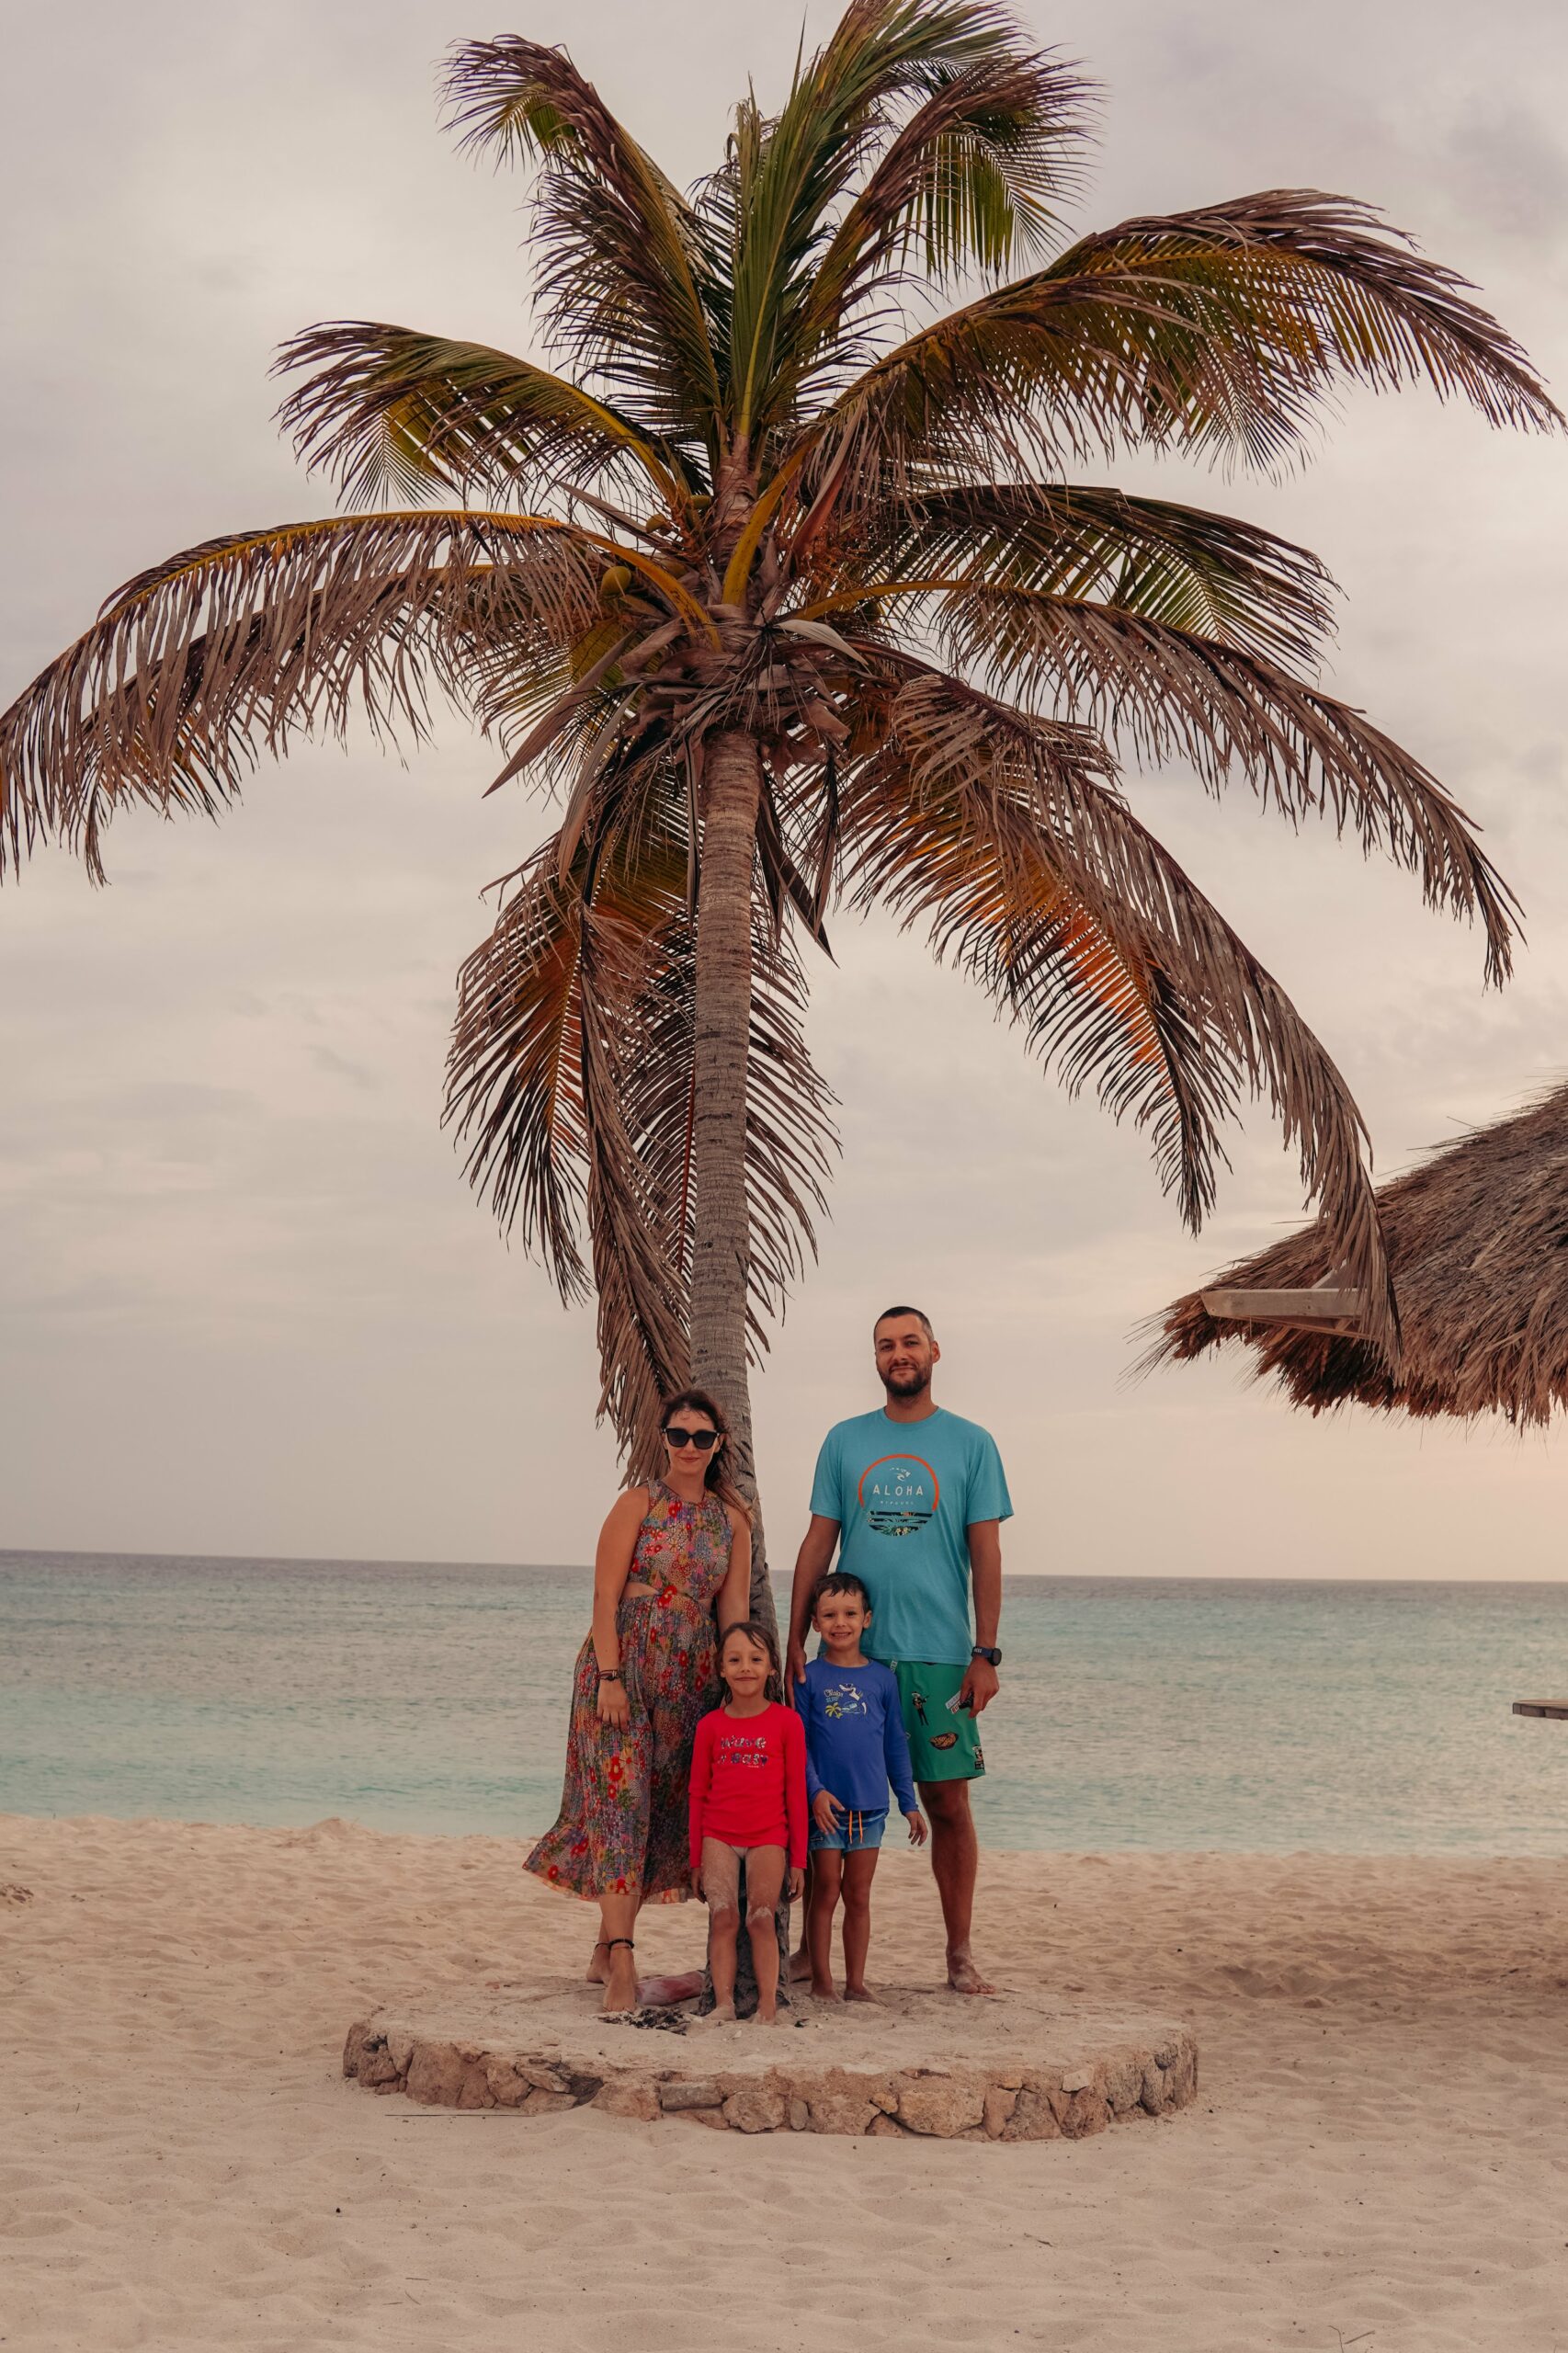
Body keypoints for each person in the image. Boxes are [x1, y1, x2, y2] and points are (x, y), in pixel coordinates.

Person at [787, 1306, 1010, 1995]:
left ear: (935, 1351)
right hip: (852, 1656)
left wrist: (986, 1653)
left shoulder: (971, 1444)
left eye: (910, 1341)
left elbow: (986, 1551)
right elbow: (819, 1541)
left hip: (941, 1655)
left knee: (946, 1804)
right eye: (886, 1345)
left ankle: (959, 1953)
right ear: (876, 1359)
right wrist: (793, 1640)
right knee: (826, 1803)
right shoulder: (845, 1441)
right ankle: (808, 1953)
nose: (898, 1353)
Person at [526, 1388, 752, 2016]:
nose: (688, 1446)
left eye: (701, 1437)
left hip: (691, 1680)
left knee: (652, 1814)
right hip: (620, 1671)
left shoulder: (730, 1521)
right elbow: (603, 1599)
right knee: (619, 1807)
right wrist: (610, 1674)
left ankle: (602, 1949)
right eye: (677, 1435)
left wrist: (743, 1686)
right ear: (664, 1440)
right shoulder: (637, 1502)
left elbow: (732, 1611)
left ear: (718, 1445)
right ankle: (623, 1956)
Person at [795, 1571, 926, 2003]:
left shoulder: (882, 1681)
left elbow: (895, 1747)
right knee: (826, 1890)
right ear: (815, 1622)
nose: (840, 1622)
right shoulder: (808, 1678)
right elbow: (800, 1746)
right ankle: (822, 1982)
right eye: (829, 1614)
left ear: (867, 1619)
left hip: (871, 1808)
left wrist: (908, 1804)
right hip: (826, 1808)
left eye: (850, 1613)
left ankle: (855, 1983)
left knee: (859, 1894)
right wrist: (814, 1792)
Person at [688, 1620, 807, 2026]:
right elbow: (697, 1795)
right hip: (718, 1835)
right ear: (720, 1667)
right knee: (723, 1917)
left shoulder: (787, 1722)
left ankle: (768, 2008)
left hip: (769, 1837)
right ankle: (722, 2004)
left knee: (761, 1919)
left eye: (756, 1659)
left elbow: (795, 1794)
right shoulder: (710, 1726)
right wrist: (695, 1859)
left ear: (772, 1666)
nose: (745, 1668)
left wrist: (799, 1860)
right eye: (735, 1659)